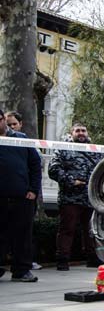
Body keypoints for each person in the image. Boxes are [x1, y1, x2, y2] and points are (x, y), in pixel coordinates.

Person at [48, 122, 102, 270]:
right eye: (77, 131)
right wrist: (72, 181)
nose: (81, 133)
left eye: (83, 130)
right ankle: (62, 259)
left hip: (91, 197)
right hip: (70, 197)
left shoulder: (95, 150)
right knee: (67, 229)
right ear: (71, 133)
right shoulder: (64, 149)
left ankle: (92, 258)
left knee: (91, 229)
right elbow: (53, 169)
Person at [0, 109, 41, 282]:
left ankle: (22, 270)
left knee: (22, 236)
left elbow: (35, 165)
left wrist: (33, 190)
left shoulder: (21, 139)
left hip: (22, 197)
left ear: (3, 119)